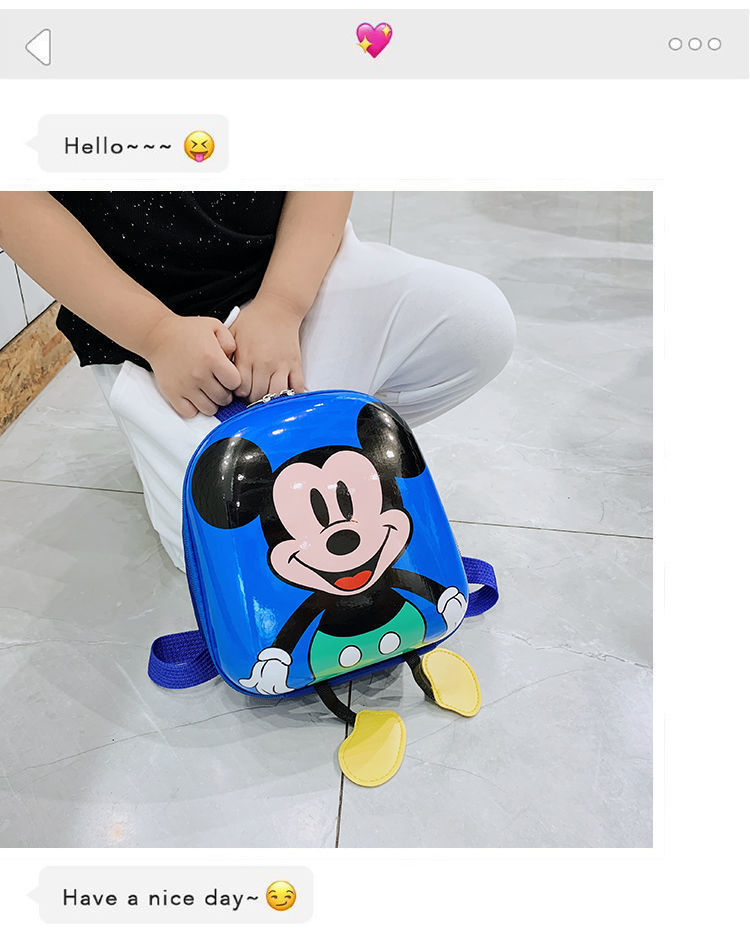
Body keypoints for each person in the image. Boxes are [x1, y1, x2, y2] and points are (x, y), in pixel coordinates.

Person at [0, 191, 515, 570]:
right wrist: (154, 334)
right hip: (148, 329)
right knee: (222, 550)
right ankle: (233, 436)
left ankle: (324, 431)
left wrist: (282, 304)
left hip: (297, 267)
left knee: (478, 324)